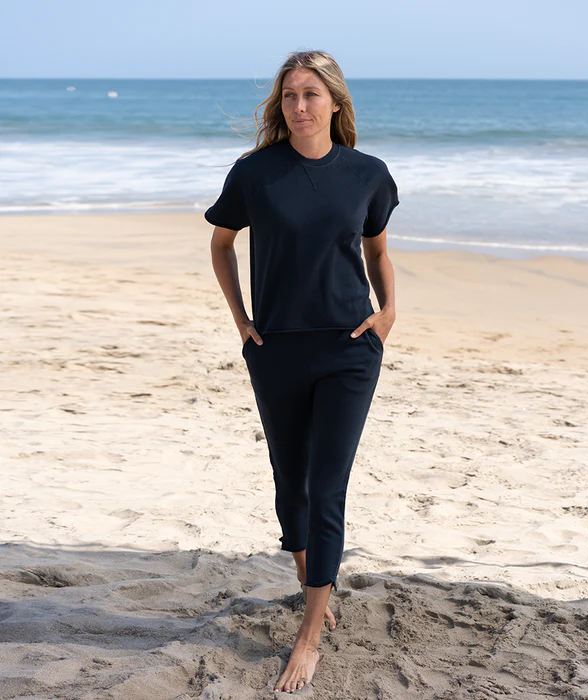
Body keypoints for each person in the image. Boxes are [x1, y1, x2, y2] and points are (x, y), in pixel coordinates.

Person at [205, 49, 399, 694]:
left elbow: (375, 250)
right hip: (277, 348)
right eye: (289, 95)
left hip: (349, 348)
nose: (299, 105)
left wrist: (389, 311)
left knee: (326, 486)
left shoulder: (368, 174)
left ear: (335, 102)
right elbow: (222, 242)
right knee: (291, 484)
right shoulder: (255, 173)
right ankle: (310, 578)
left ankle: (310, 633)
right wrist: (241, 320)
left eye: (311, 94)